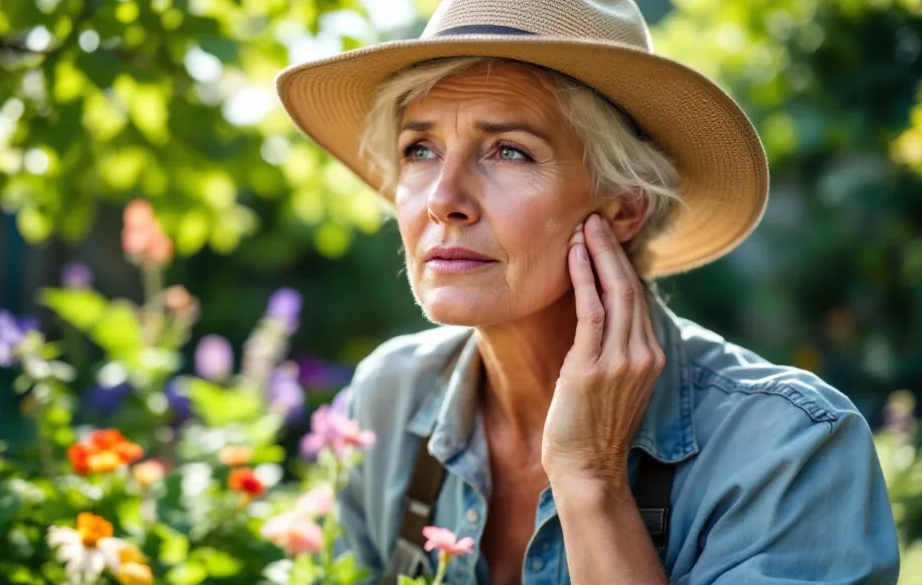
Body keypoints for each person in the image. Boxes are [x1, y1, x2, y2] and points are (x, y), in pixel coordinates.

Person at [275, 0, 900, 583]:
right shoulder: (388, 399)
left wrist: (592, 478)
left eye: (509, 152)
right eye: (421, 149)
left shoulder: (790, 450)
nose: (443, 200)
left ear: (625, 207)